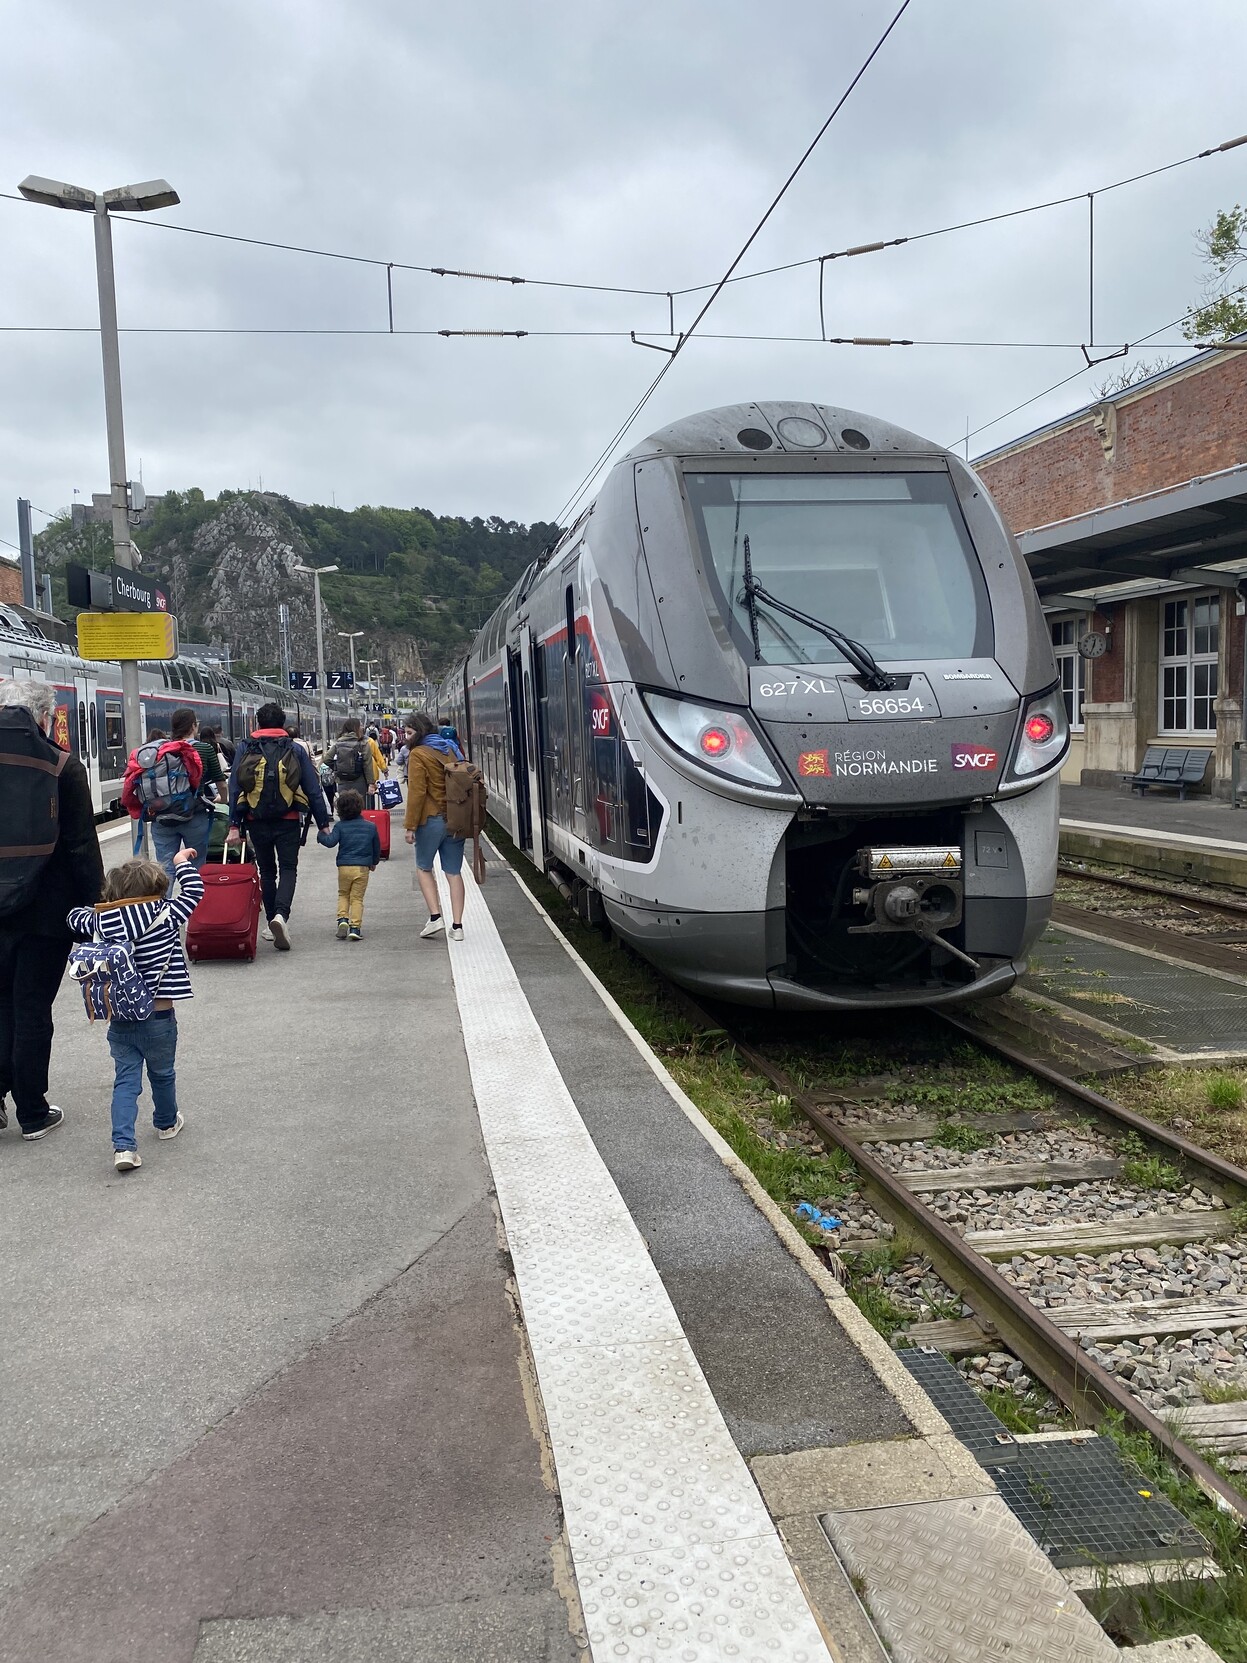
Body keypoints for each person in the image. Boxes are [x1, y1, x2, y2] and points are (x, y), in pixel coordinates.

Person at [0, 679, 104, 1141]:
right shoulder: (64, 766)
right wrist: (96, 909)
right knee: (31, 1008)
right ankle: (32, 1113)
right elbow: (81, 847)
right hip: (47, 912)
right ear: (44, 718)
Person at [68, 849, 203, 1171]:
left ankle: (124, 1147)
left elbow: (73, 916)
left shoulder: (100, 919)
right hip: (158, 1016)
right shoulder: (166, 912)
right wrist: (182, 863)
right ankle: (167, 1123)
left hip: (120, 1017)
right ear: (157, 886)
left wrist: (102, 909)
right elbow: (196, 891)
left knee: (126, 1080)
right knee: (162, 1073)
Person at [226, 701, 331, 950]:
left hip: (255, 820)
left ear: (258, 724)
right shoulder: (294, 749)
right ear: (283, 724)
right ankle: (281, 916)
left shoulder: (245, 747)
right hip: (289, 820)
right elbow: (312, 788)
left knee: (267, 871)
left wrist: (233, 824)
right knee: (288, 869)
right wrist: (323, 822)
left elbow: (234, 788)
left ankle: (271, 920)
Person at [404, 713, 466, 942]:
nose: (406, 737)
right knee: (453, 872)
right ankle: (458, 926)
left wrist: (410, 826)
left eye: (409, 733)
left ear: (418, 732)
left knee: (423, 867)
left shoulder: (418, 754)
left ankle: (435, 917)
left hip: (430, 819)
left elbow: (417, 793)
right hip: (456, 818)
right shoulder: (448, 748)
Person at [147, 708, 225, 876]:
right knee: (197, 866)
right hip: (194, 816)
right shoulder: (205, 749)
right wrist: (223, 799)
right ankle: (194, 901)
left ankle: (164, 902)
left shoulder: (159, 750)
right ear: (193, 726)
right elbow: (221, 782)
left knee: (165, 869)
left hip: (163, 818)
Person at [316, 789, 380, 941]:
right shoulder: (370, 827)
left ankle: (342, 919)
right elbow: (376, 847)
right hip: (362, 868)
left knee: (343, 894)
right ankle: (355, 928)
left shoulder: (340, 827)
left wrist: (320, 835)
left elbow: (330, 842)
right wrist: (374, 862)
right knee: (357, 898)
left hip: (344, 867)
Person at [326, 718, 376, 813]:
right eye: (360, 725)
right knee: (360, 810)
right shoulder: (364, 743)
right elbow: (367, 765)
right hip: (359, 781)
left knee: (344, 809)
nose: (362, 727)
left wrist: (338, 767)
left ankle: (345, 826)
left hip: (342, 782)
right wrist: (371, 783)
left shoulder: (338, 743)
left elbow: (327, 759)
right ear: (355, 728)